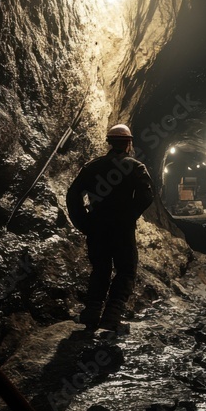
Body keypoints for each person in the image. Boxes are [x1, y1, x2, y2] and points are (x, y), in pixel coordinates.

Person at [66, 124, 154, 331]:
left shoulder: (91, 166)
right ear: (128, 144)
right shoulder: (135, 166)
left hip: (96, 227)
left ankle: (91, 313)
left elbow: (73, 195)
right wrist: (129, 216)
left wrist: (83, 222)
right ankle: (112, 316)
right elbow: (146, 196)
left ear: (109, 143)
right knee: (125, 270)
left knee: (100, 269)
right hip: (122, 229)